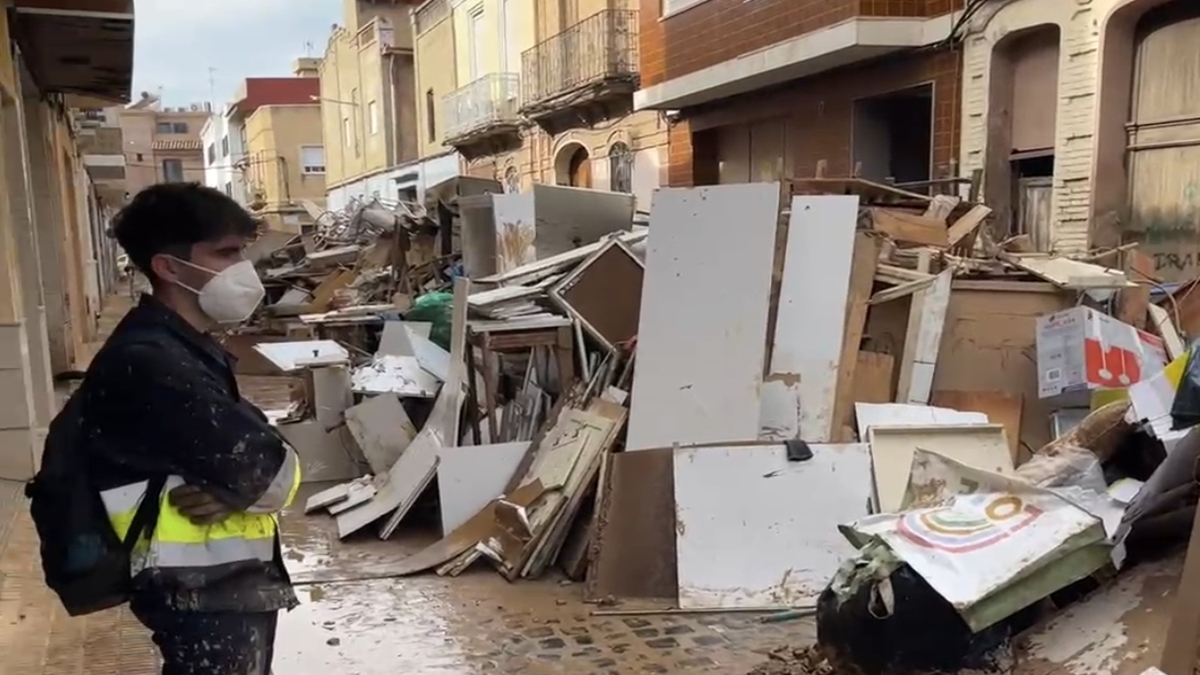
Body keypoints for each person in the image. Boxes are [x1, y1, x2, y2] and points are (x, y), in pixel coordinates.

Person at [78, 182, 300, 675]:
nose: (244, 268)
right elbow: (271, 473)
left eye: (242, 251)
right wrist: (248, 482)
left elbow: (257, 466)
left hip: (217, 580)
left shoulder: (179, 345)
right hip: (200, 588)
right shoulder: (156, 361)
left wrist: (239, 485)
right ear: (169, 266)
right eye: (225, 253)